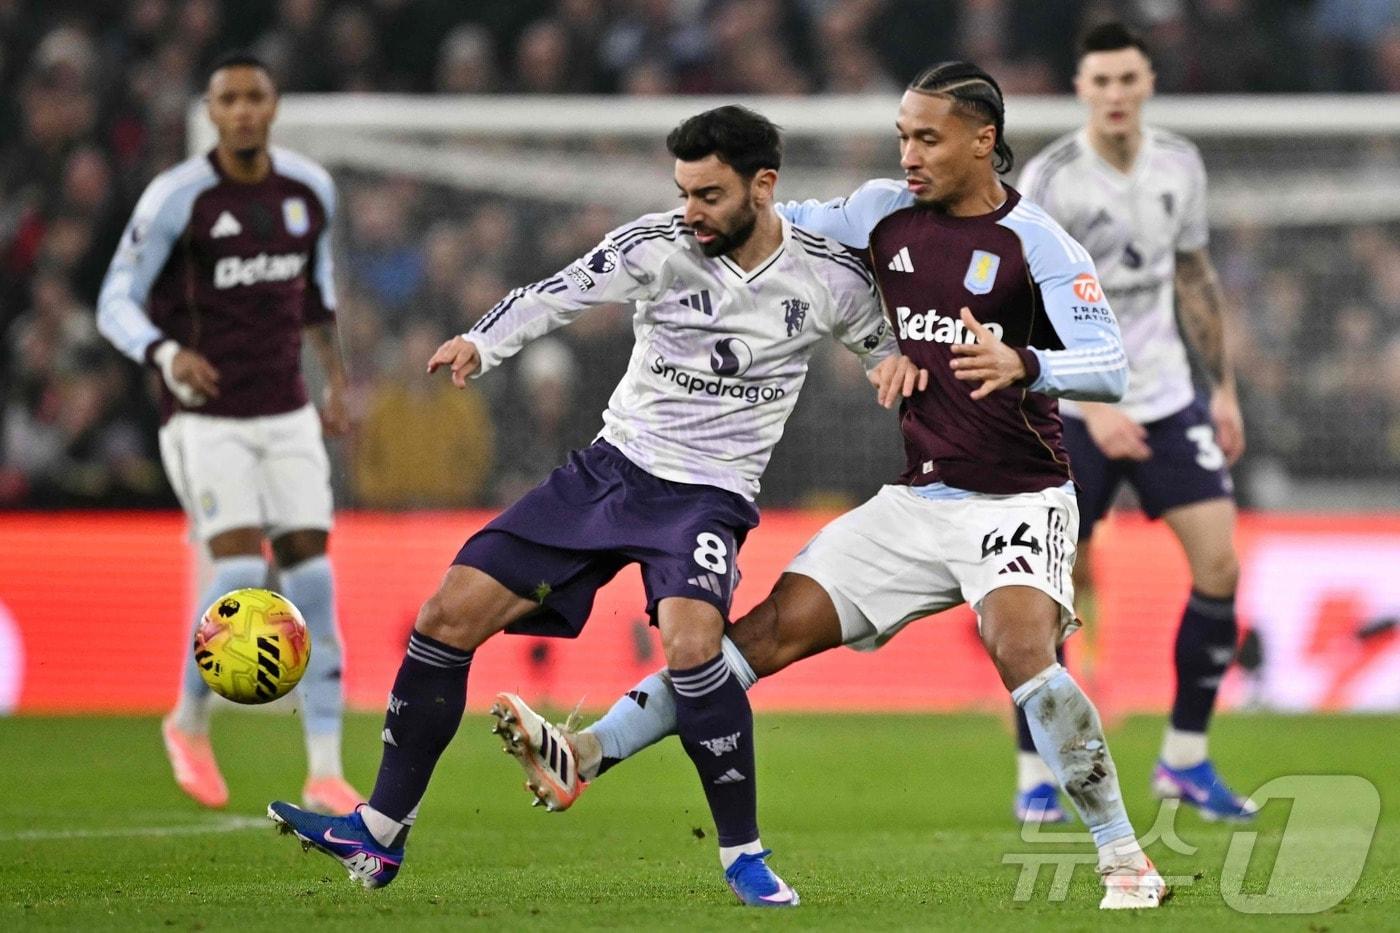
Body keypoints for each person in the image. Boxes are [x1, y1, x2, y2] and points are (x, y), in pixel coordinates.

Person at [496, 62, 1171, 910]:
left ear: (982, 140)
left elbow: (1110, 364)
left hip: (1020, 497)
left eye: (928, 138)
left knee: (1019, 647)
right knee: (759, 636)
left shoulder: (1038, 243)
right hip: (918, 500)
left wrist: (1025, 361)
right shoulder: (880, 211)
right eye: (903, 136)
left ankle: (1125, 860)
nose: (909, 154)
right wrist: (695, 223)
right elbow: (770, 225)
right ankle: (585, 755)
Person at [266, 105, 910, 907]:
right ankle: (380, 829)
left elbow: (889, 349)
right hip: (611, 472)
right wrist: (482, 342)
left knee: (693, 646)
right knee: (446, 614)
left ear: (763, 186)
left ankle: (743, 854)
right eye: (683, 191)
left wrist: (894, 369)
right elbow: (556, 293)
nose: (691, 211)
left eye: (709, 195)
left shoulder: (828, 276)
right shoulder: (657, 244)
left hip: (706, 497)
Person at [96, 52, 360, 814]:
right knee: (241, 567)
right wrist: (165, 352)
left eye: (255, 97)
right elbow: (115, 298)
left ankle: (323, 769)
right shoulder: (178, 197)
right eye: (229, 99)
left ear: (273, 106)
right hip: (204, 416)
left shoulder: (309, 190)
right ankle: (188, 721)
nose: (243, 110)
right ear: (211, 112)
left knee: (314, 580)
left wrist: (336, 379)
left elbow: (318, 294)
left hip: (287, 412)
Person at [1012, 22, 1253, 823]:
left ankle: (1184, 759)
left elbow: (1194, 276)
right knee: (1045, 591)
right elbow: (1026, 303)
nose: (1115, 93)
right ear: (1080, 89)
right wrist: (1091, 403)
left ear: (1148, 83)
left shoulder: (1180, 164)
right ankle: (1036, 770)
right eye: (1101, 81)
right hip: (1073, 406)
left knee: (1219, 565)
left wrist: (1223, 389)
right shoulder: (1052, 179)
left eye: (1127, 79)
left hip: (1167, 394)